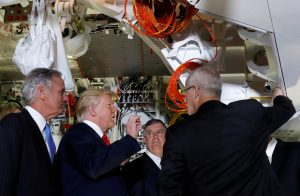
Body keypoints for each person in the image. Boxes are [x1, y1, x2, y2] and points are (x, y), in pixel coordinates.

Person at [157, 66, 296, 196]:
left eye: (185, 91)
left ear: (195, 91)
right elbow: (287, 109)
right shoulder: (249, 114)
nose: (185, 98)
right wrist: (277, 95)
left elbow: (168, 188)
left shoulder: (178, 134)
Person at [57, 89, 141, 196]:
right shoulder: (78, 133)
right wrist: (130, 138)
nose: (115, 109)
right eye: (109, 105)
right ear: (92, 110)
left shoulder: (91, 136)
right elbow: (94, 165)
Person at [0, 68, 67, 196]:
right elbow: (3, 183)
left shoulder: (42, 130)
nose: (65, 98)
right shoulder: (14, 125)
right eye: (61, 92)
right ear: (42, 92)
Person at [122, 119, 167, 196]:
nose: (155, 136)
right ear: (144, 139)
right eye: (149, 133)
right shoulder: (131, 169)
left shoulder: (178, 165)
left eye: (159, 132)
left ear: (167, 137)